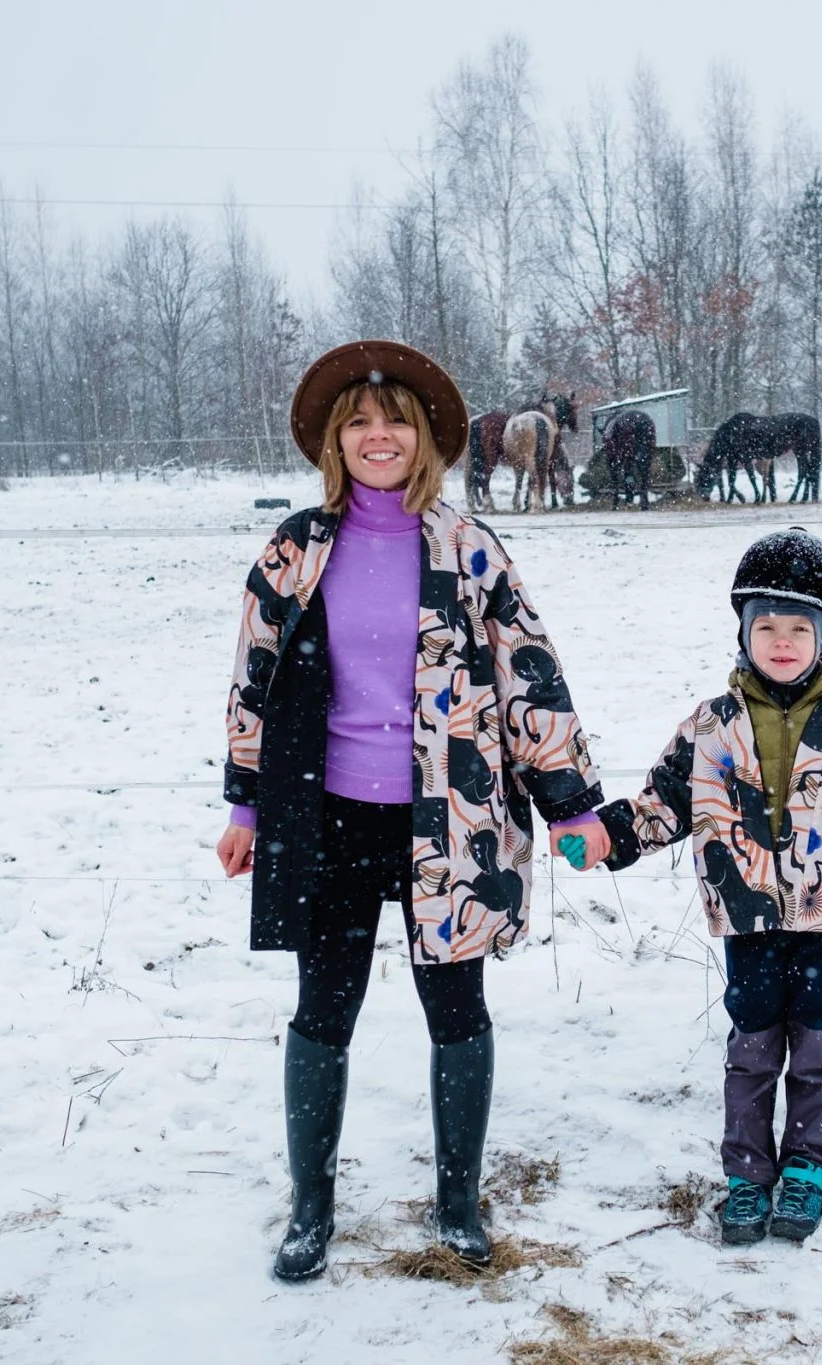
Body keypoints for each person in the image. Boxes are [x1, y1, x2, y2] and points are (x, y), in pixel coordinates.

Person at [217, 339, 603, 1280]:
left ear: (425, 436)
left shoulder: (468, 547)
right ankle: (311, 1212)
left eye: (394, 421)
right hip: (330, 816)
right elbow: (253, 677)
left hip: (452, 819)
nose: (377, 436)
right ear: (335, 442)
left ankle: (458, 1203)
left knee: (457, 1008)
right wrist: (245, 803)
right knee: (323, 1008)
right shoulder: (297, 548)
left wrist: (569, 803)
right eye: (358, 422)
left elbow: (529, 675)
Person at [555, 528, 822, 1245]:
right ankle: (747, 1176)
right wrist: (605, 834)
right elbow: (665, 803)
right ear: (743, 632)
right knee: (752, 1046)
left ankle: (808, 1168)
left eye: (799, 628)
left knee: (818, 1047)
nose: (782, 641)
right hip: (747, 917)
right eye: (766, 626)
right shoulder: (711, 725)